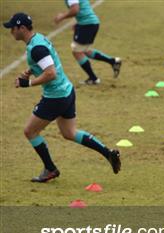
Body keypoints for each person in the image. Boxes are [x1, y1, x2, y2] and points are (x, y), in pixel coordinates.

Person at [4, 13, 121, 182]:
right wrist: (31, 70)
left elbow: (51, 73)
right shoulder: (38, 39)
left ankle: (50, 169)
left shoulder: (37, 48)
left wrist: (27, 83)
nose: (11, 32)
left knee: (30, 131)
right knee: (69, 132)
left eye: (12, 28)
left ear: (22, 28)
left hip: (55, 97)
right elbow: (47, 63)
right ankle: (108, 153)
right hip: (67, 91)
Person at [54, 0, 121, 85]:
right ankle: (113, 61)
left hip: (87, 24)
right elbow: (84, 8)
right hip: (90, 23)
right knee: (85, 50)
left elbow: (75, 10)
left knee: (77, 51)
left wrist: (62, 16)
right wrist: (77, 23)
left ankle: (93, 78)